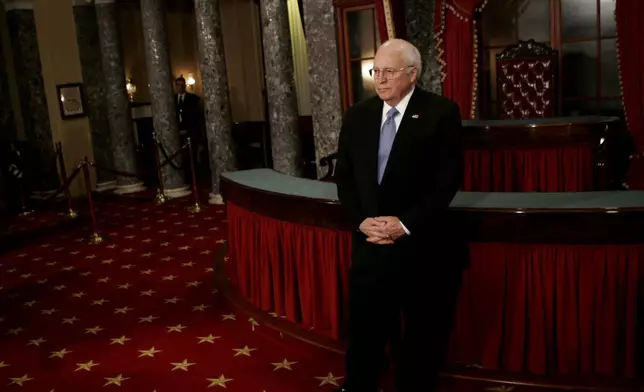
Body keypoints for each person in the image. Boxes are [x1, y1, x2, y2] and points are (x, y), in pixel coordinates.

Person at [334, 39, 466, 392]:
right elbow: (344, 178)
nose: (380, 79)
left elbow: (446, 182)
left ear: (413, 74)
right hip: (369, 244)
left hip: (419, 246)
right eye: (375, 71)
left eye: (389, 72)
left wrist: (404, 224)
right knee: (364, 331)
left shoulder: (441, 112)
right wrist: (360, 220)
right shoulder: (357, 115)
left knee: (422, 335)